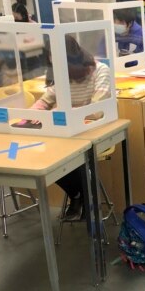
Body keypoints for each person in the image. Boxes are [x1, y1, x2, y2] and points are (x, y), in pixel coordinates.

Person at [31, 35, 112, 220]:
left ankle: (84, 196)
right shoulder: (61, 73)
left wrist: (65, 111)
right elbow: (46, 99)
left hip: (93, 129)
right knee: (46, 158)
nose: (54, 63)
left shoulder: (100, 71)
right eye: (51, 57)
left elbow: (97, 110)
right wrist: (34, 113)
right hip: (67, 130)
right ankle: (79, 195)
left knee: (68, 157)